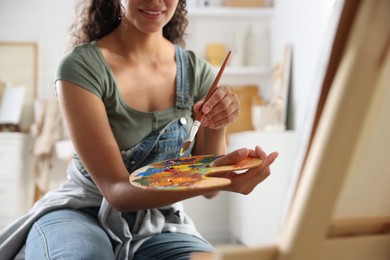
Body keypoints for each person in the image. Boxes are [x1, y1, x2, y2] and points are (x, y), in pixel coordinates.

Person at [0, 0, 278, 259]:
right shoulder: (80, 67)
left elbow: (210, 190)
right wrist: (225, 180)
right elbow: (118, 192)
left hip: (159, 220)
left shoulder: (198, 72)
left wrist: (218, 127)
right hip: (82, 211)